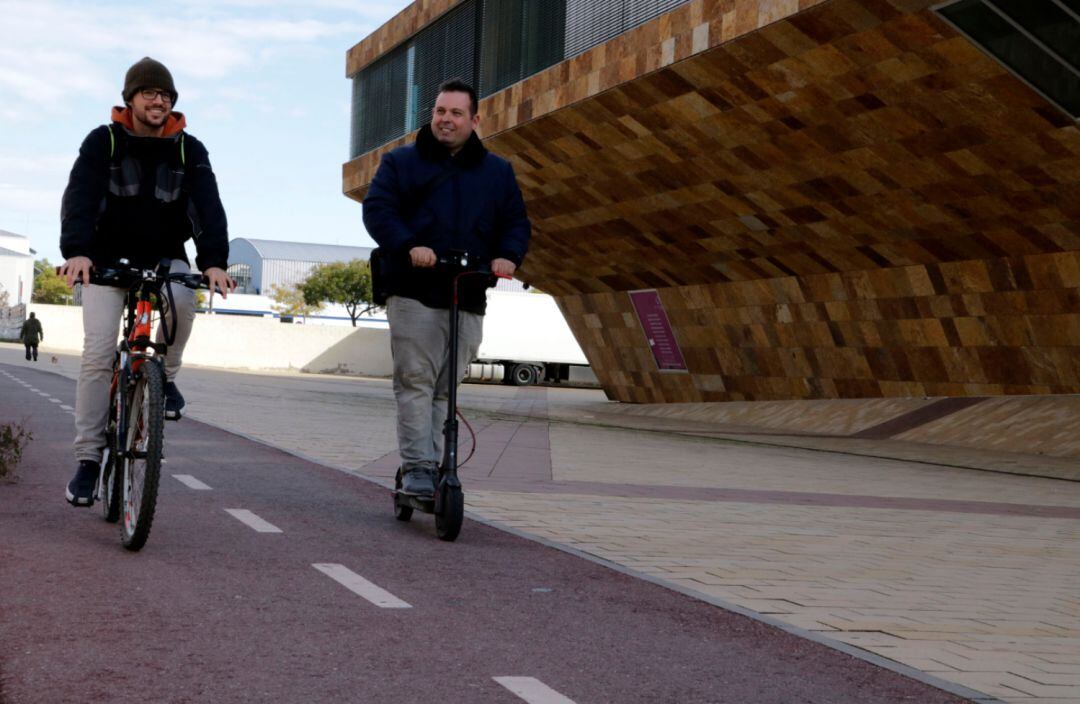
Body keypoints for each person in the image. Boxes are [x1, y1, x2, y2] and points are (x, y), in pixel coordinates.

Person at [58, 57, 235, 506]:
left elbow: (208, 206)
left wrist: (214, 262)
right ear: (131, 99)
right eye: (150, 93)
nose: (159, 101)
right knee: (98, 353)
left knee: (184, 299)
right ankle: (88, 460)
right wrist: (77, 250)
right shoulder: (104, 141)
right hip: (105, 260)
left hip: (163, 257)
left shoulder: (188, 149)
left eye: (166, 95)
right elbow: (80, 196)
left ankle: (165, 377)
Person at [363, 78, 532, 497]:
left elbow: (515, 222)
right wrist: (409, 245)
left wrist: (507, 255)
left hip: (467, 293)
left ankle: (435, 464)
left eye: (456, 113)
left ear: (474, 120)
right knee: (416, 381)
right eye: (440, 111)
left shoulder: (497, 172)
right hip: (414, 291)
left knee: (444, 388)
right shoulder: (401, 162)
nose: (446, 119)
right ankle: (417, 467)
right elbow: (378, 210)